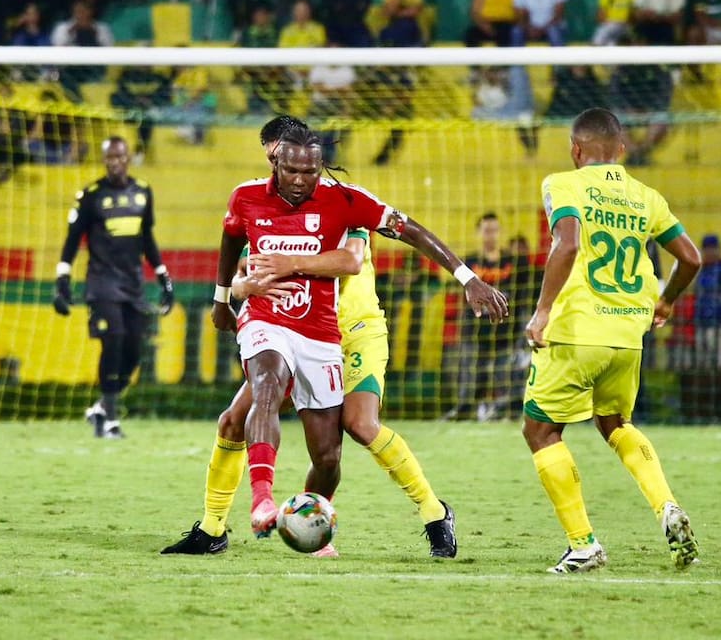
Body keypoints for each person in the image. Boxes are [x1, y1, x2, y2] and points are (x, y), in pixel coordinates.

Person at [162, 117, 508, 555]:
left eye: (305, 168)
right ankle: (215, 530)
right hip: (287, 328)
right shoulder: (258, 202)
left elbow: (349, 260)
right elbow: (246, 268)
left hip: (355, 329)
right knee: (235, 417)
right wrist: (234, 292)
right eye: (277, 161)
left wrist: (467, 278)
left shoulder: (341, 204)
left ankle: (433, 514)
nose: (291, 174)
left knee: (357, 428)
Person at [522, 106, 702, 574]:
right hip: (628, 334)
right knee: (615, 422)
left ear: (575, 149)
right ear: (622, 150)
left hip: (577, 331)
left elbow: (568, 243)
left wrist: (542, 312)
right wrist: (665, 302)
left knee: (540, 430)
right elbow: (691, 258)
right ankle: (666, 506)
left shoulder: (563, 183)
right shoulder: (647, 196)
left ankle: (583, 545)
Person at [53, 136, 175, 439]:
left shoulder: (143, 192)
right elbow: (72, 240)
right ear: (105, 160)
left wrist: (163, 277)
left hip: (133, 284)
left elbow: (147, 237)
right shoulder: (91, 195)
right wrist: (62, 278)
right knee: (114, 339)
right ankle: (110, 420)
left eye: (119, 157)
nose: (115, 163)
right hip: (102, 283)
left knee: (134, 352)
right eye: (109, 158)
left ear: (128, 158)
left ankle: (100, 407)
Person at [443, 212, 531, 421]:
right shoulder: (469, 262)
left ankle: (504, 414)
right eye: (486, 230)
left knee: (505, 379)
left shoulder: (514, 262)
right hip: (475, 332)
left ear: (499, 232)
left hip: (505, 333)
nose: (491, 235)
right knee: (472, 378)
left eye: (494, 230)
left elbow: (523, 296)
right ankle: (466, 412)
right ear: (479, 233)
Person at [687, 233, 721, 423]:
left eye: (711, 248)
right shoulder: (701, 271)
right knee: (705, 370)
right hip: (703, 327)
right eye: (706, 249)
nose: (708, 252)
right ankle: (706, 413)